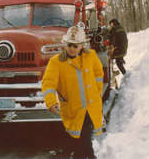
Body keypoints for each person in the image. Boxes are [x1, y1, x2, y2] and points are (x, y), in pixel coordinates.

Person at [42, 25, 104, 159]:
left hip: (90, 106)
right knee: (80, 138)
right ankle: (89, 155)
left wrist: (97, 92)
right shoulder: (56, 62)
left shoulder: (91, 56)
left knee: (85, 136)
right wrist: (51, 102)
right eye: (69, 44)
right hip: (73, 108)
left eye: (76, 46)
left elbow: (99, 73)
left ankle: (88, 156)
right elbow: (48, 83)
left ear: (82, 45)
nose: (72, 48)